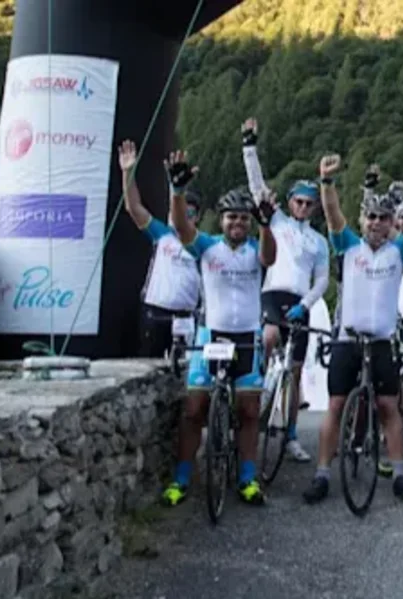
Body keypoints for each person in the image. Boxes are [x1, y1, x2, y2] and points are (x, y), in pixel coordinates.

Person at [303, 153, 403, 505]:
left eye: (383, 218)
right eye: (371, 216)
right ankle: (322, 473)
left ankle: (400, 473)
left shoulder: (397, 250)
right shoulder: (347, 245)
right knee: (336, 405)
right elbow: (331, 213)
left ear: (392, 224)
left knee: (389, 407)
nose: (376, 222)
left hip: (382, 342)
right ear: (363, 219)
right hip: (348, 339)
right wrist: (326, 181)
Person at [157, 149, 277, 507]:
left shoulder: (257, 247)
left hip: (246, 339)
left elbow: (270, 258)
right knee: (194, 410)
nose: (237, 223)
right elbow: (180, 228)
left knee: (249, 413)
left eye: (243, 217)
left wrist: (267, 224)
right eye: (230, 218)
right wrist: (177, 192)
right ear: (220, 221)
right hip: (210, 336)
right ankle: (181, 479)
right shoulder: (207, 247)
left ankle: (246, 478)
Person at [241, 118, 329, 464]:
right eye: (299, 202)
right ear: (290, 202)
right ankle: (255, 394)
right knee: (268, 337)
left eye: (309, 204)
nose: (303, 208)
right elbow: (257, 188)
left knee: (294, 373)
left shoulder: (319, 241)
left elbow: (322, 280)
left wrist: (306, 304)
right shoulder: (276, 221)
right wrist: (250, 147)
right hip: (272, 292)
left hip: (299, 301)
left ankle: (291, 436)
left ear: (314, 207)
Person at [118, 140, 200, 360]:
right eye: (179, 213)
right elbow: (133, 207)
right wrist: (128, 172)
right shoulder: (162, 234)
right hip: (155, 312)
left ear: (197, 217)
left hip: (185, 319)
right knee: (148, 371)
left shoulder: (202, 244)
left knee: (184, 375)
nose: (184, 217)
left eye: (190, 214)